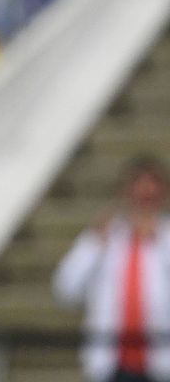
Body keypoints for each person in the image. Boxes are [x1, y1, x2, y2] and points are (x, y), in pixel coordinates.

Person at [53, 157, 170, 382]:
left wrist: (161, 244)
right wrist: (94, 243)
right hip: (109, 363)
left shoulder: (166, 239)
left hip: (161, 363)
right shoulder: (106, 236)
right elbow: (65, 289)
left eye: (150, 200)